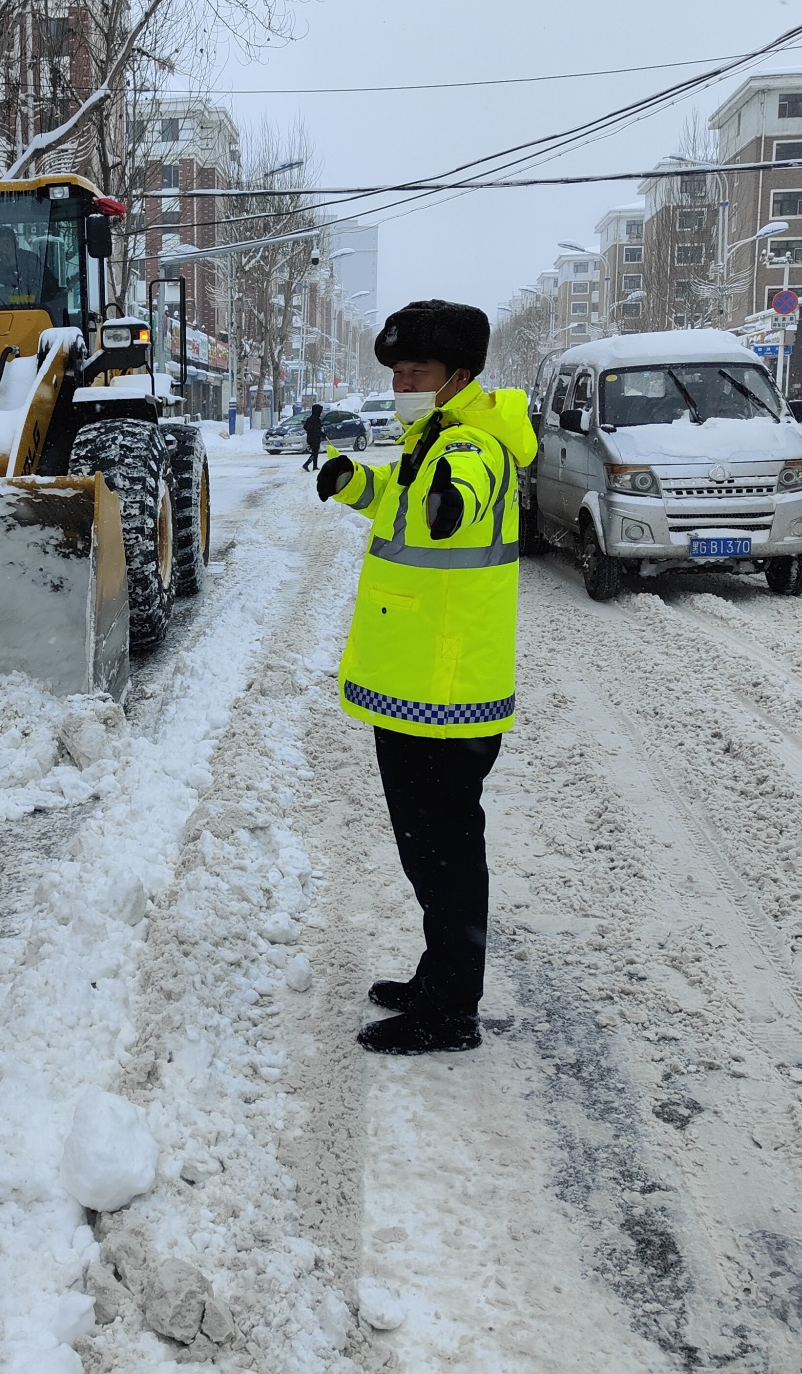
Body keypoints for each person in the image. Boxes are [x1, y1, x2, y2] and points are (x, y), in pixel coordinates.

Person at [315, 300, 537, 1055]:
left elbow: (463, 493)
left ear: (459, 377)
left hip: (446, 693)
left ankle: (450, 1012)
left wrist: (453, 505)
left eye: (417, 370)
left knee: (444, 853)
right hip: (420, 688)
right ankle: (438, 976)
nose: (403, 380)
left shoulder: (471, 445)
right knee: (429, 850)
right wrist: (354, 483)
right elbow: (401, 503)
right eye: (398, 369)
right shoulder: (431, 436)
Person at [301, 404, 326, 471]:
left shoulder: (309, 419)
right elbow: (318, 430)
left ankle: (314, 466)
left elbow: (305, 427)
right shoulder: (317, 420)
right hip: (315, 438)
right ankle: (307, 465)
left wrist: (310, 431)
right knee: (315, 453)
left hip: (310, 438)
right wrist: (323, 434)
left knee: (314, 452)